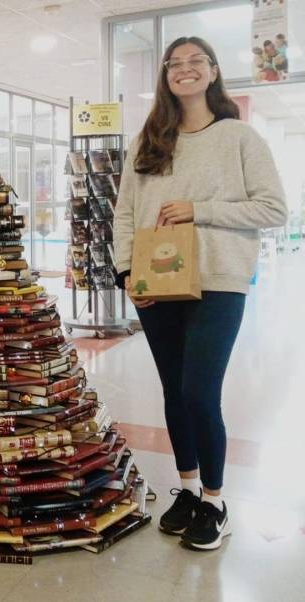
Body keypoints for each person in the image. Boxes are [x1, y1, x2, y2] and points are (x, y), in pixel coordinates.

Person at [113, 36, 287, 551]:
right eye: (175, 64)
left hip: (219, 281)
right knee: (173, 391)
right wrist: (127, 272)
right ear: (165, 76)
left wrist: (199, 209)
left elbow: (273, 208)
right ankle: (188, 489)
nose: (184, 70)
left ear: (213, 71)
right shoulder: (149, 140)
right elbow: (125, 212)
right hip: (157, 283)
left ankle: (215, 500)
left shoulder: (240, 137)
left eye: (195, 62)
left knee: (198, 391)